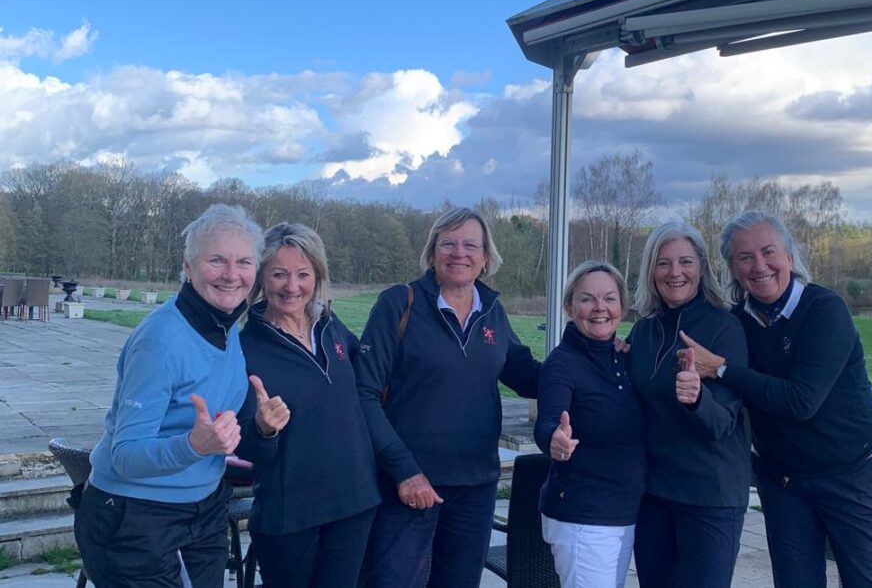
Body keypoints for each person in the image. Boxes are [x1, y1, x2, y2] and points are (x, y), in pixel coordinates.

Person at [74, 204, 267, 588]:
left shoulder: (227, 327)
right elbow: (125, 456)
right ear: (188, 267)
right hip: (135, 518)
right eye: (217, 260)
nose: (232, 275)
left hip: (204, 509)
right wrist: (193, 446)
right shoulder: (160, 341)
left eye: (244, 262)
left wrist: (262, 424)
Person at [357, 206, 542, 588]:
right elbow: (364, 394)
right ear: (432, 252)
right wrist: (404, 471)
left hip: (475, 488)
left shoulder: (492, 311)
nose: (460, 253)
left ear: (486, 257)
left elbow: (529, 377)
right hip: (408, 486)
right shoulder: (399, 304)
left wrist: (592, 353)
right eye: (449, 244)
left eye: (470, 245)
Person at [712, 210, 872, 588]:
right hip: (783, 479)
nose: (759, 266)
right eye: (745, 257)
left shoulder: (824, 309)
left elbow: (801, 401)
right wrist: (621, 348)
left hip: (853, 470)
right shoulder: (735, 323)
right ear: (732, 268)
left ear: (789, 256)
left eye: (768, 252)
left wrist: (723, 369)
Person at [234, 222, 380, 587]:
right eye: (279, 274)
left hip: (354, 502)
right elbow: (247, 449)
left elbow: (368, 387)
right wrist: (263, 429)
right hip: (291, 515)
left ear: (317, 276)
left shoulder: (331, 327)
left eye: (303, 274)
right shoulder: (244, 349)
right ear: (261, 277)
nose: (292, 286)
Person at [625, 222, 751, 588]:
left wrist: (697, 397)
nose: (674, 272)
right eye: (663, 263)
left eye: (685, 262)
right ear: (651, 270)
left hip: (709, 495)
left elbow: (723, 422)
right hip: (654, 494)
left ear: (702, 267)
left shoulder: (724, 327)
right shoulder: (645, 330)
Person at [534, 261, 646, 588]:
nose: (600, 307)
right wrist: (554, 440)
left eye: (609, 298)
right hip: (583, 519)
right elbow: (549, 420)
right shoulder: (562, 364)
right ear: (569, 307)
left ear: (622, 306)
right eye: (587, 299)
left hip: (623, 514)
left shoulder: (623, 358)